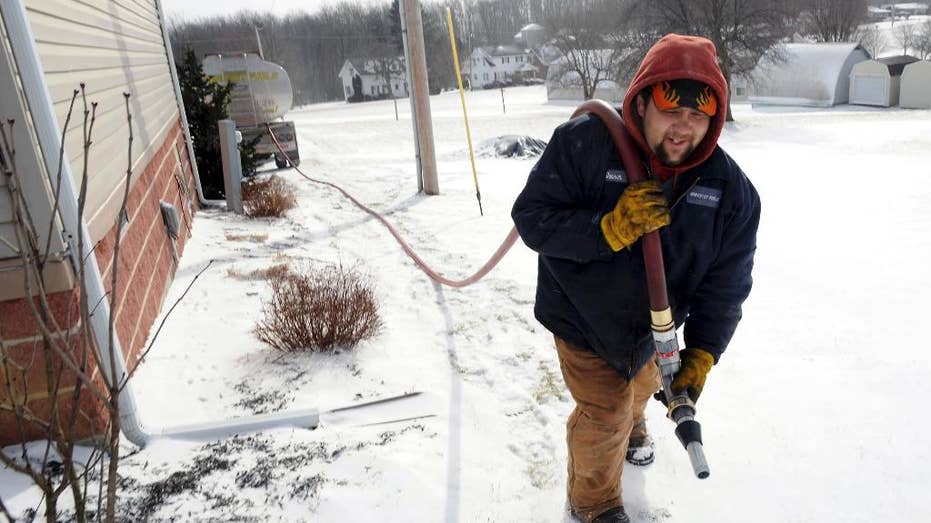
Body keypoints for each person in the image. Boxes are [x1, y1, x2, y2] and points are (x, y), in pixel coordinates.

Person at [511, 34, 760, 523]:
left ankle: (636, 424)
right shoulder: (585, 145)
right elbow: (532, 218)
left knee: (643, 387)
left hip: (654, 331)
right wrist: (607, 229)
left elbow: (725, 287)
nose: (682, 128)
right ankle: (595, 503)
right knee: (605, 414)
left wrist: (703, 354)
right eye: (671, 111)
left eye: (697, 116)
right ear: (642, 101)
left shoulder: (730, 193)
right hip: (584, 321)